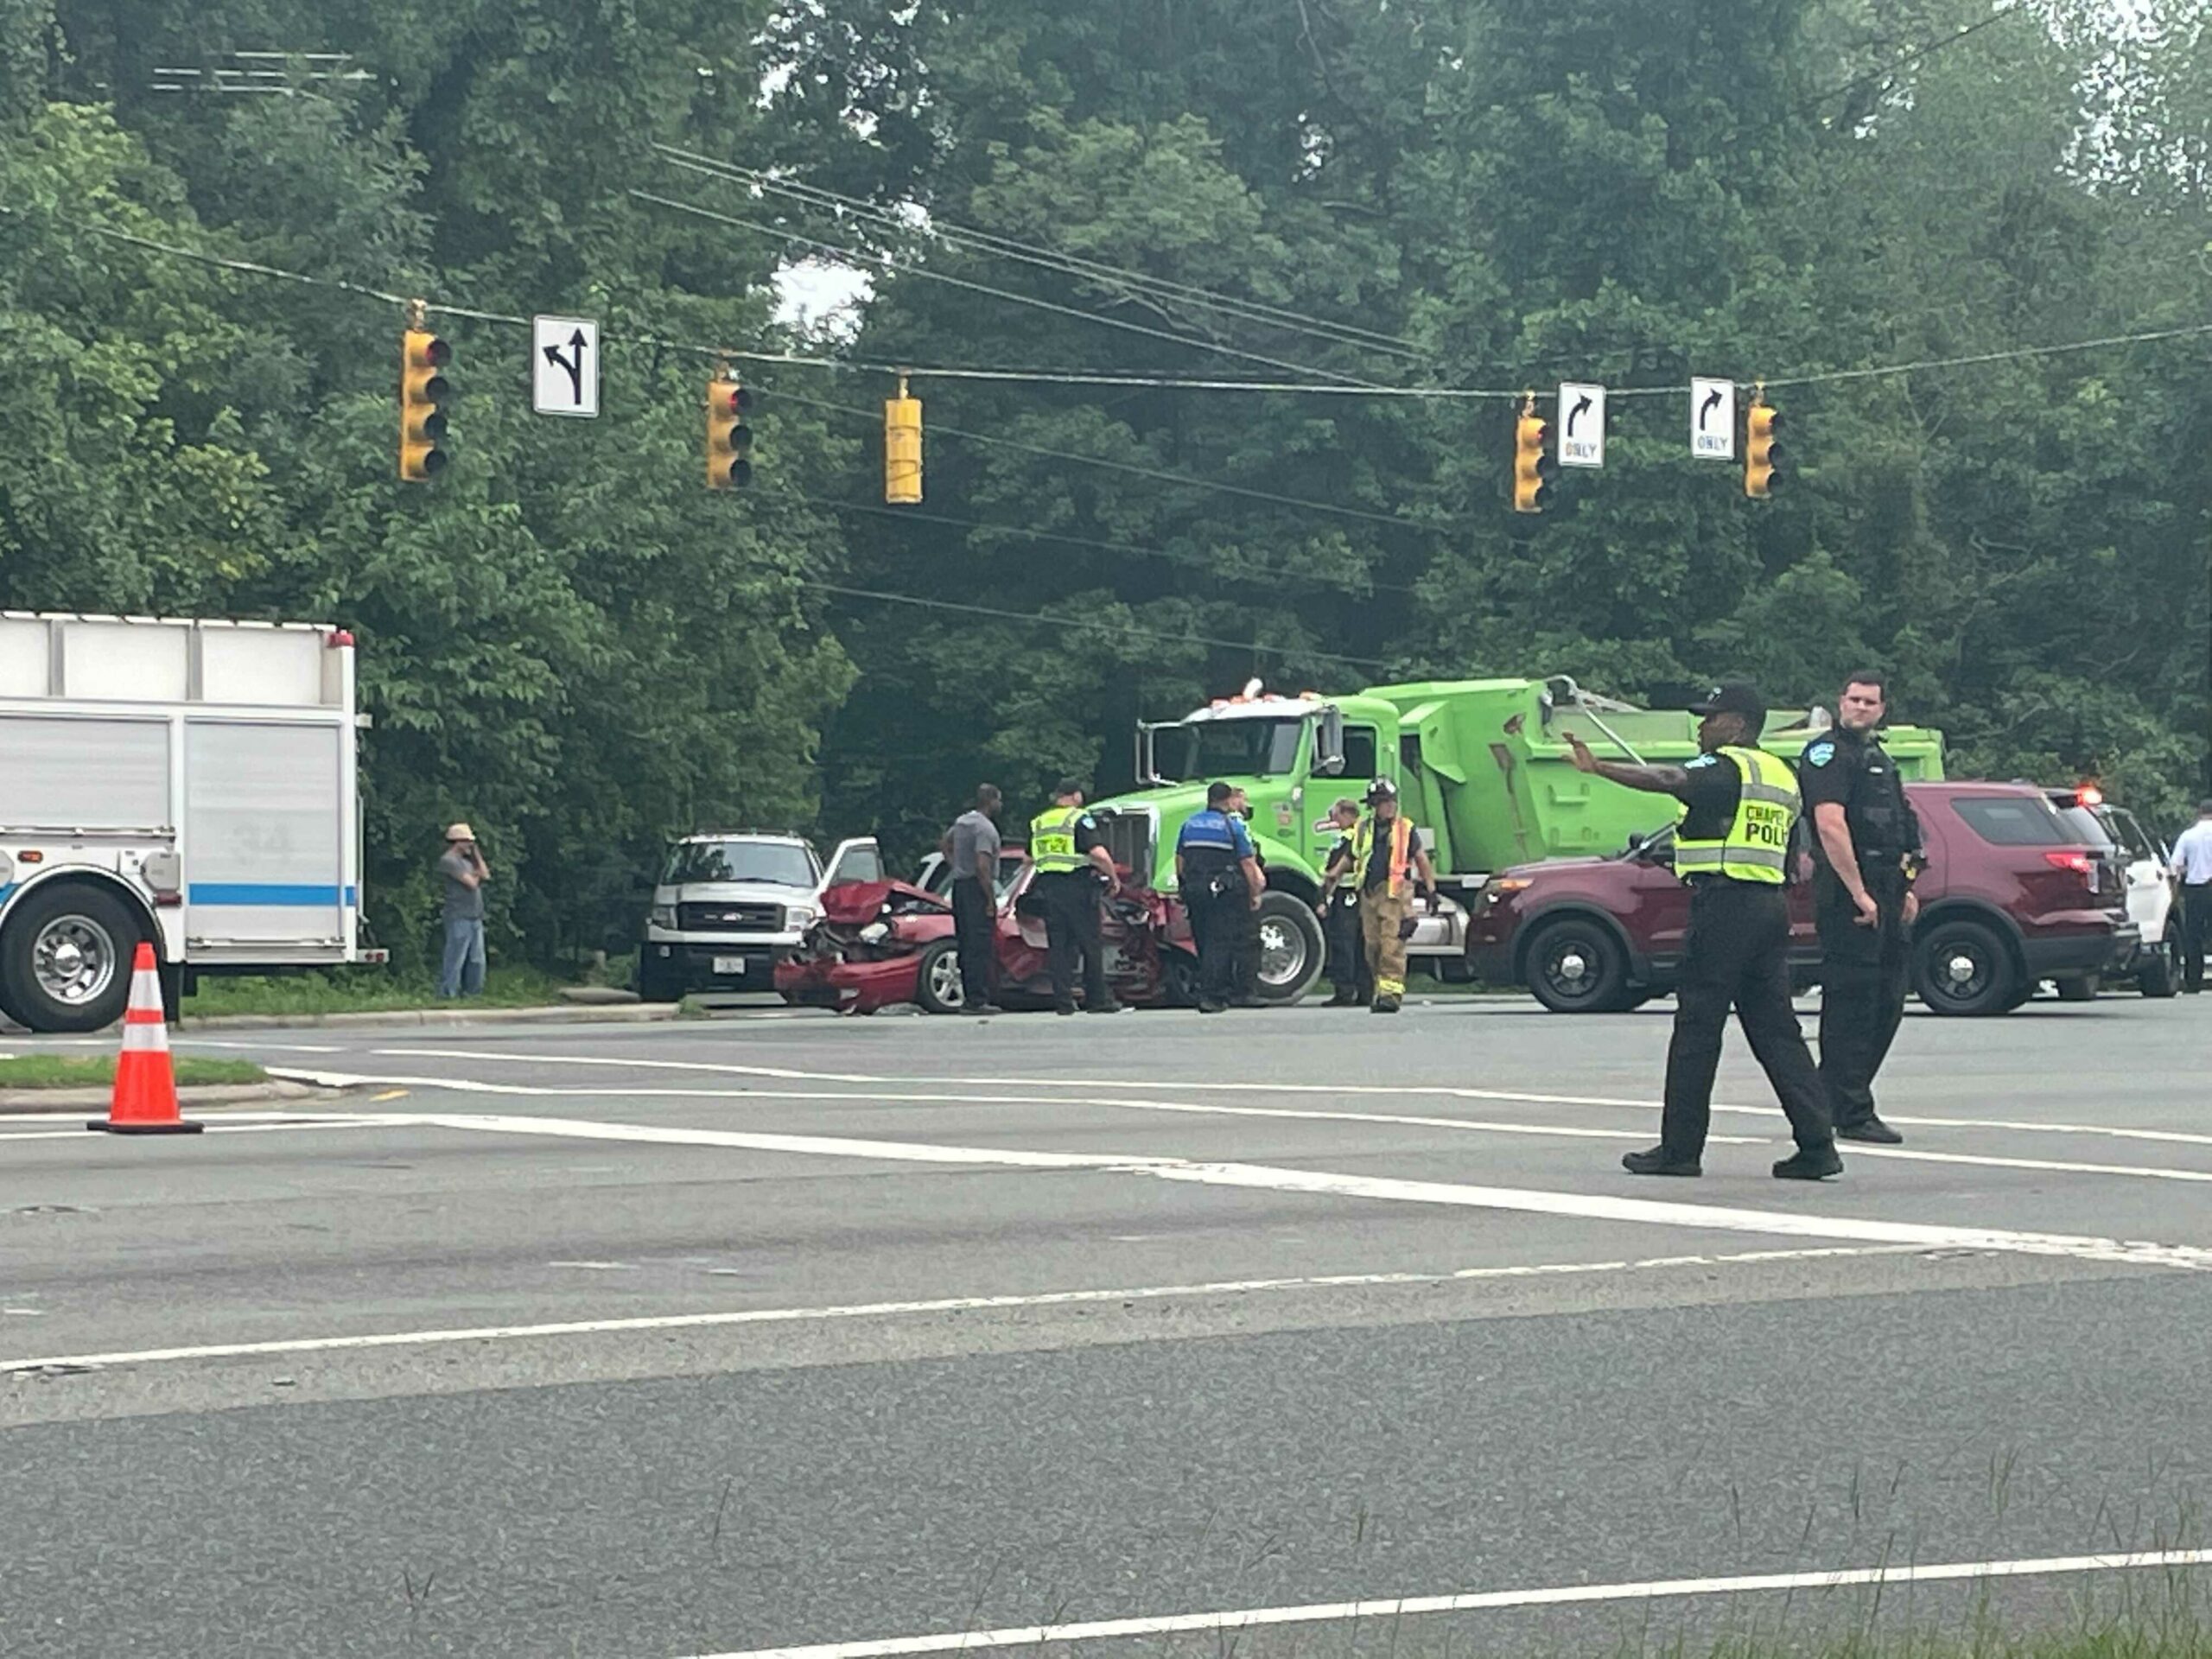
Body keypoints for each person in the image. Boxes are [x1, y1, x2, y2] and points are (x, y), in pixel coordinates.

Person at [1566, 683, 1840, 1180]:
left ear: (1736, 724)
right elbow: (1791, 855)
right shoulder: (1782, 774)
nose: (1702, 726)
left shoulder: (1722, 767)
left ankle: (1680, 1150)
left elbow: (1671, 777)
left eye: (1710, 718)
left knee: (1697, 1026)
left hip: (1725, 909)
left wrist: (1600, 768)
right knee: (1777, 1031)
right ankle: (1818, 1143)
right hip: (1769, 907)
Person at [1798, 671, 1924, 1145]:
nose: (1860, 708)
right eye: (1853, 700)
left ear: (1882, 708)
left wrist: (1906, 888)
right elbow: (1830, 825)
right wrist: (1858, 892)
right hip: (1850, 890)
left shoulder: (1878, 757)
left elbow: (1900, 827)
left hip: (1889, 887)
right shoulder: (1826, 754)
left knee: (1888, 999)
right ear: (1839, 703)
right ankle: (1849, 1109)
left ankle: (1841, 1096)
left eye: (1870, 702)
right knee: (1852, 1001)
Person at [1316, 779, 1438, 1014]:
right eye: (1384, 802)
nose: (1390, 806)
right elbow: (1349, 859)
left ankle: (1390, 995)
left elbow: (1421, 859)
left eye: (1392, 801)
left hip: (1395, 893)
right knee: (1372, 947)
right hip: (1368, 894)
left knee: (1391, 944)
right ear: (1374, 804)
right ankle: (1379, 990)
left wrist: (1431, 890)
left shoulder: (1406, 829)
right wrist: (1329, 882)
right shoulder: (1362, 829)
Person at [1027, 779, 1129, 1016]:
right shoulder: (1079, 818)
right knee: (1090, 944)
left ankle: (1063, 1002)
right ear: (1075, 796)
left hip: (1049, 890)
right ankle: (1097, 999)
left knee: (1059, 947)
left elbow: (1028, 858)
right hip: (1078, 888)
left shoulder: (1039, 821)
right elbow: (1098, 854)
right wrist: (1113, 878)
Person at [1175, 782, 1264, 1014]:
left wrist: (1183, 885)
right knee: (1220, 943)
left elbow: (1180, 859)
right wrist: (1254, 893)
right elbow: (1247, 863)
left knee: (1202, 941)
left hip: (1195, 890)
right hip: (1222, 892)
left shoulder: (1190, 824)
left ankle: (1206, 988)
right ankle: (1213, 996)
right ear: (1227, 800)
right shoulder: (1231, 826)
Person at [942, 785, 1003, 1014]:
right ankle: (978, 1000)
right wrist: (989, 898)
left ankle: (970, 997)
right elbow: (982, 865)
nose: (1001, 805)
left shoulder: (962, 822)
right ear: (991, 801)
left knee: (965, 944)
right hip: (977, 889)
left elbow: (945, 844)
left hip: (960, 887)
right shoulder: (985, 829)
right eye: (999, 800)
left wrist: (955, 865)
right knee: (980, 946)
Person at [1317, 798, 1370, 1007]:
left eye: (1336, 815)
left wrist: (1324, 897)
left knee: (1343, 942)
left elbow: (1335, 872)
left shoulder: (1349, 837)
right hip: (1362, 895)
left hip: (1347, 894)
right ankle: (1365, 991)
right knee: (1360, 943)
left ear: (1348, 815)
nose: (1334, 820)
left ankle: (1344, 991)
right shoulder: (1365, 835)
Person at [436, 823, 490, 1000]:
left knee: (477, 959)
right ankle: (447, 992)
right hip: (458, 915)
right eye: (467, 842)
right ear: (456, 841)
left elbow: (486, 874)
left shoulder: (468, 862)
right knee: (455, 957)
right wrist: (477, 874)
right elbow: (472, 883)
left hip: (475, 915)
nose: (470, 845)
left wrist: (477, 857)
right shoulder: (449, 861)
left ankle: (472, 993)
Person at [2171, 799, 2212, 994]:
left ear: (2199, 812)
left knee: (2193, 935)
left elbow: (2176, 865)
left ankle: (2193, 981)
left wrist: (2175, 891)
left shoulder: (2188, 836)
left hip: (2196, 889)